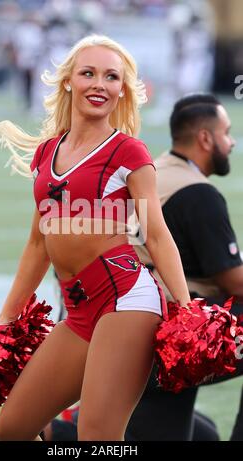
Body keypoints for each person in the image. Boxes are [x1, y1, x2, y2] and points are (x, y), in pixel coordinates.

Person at [0, 34, 191, 441]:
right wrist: (5, 320)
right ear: (68, 81)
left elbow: (158, 236)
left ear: (122, 89)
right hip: (78, 312)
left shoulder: (129, 152)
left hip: (127, 301)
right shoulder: (47, 153)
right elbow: (38, 245)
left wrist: (186, 310)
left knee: (97, 436)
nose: (100, 84)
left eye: (111, 77)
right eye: (88, 73)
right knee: (14, 427)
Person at [129, 93, 243, 441]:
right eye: (227, 132)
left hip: (121, 330)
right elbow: (234, 282)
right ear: (206, 138)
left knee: (200, 436)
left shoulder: (155, 171)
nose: (233, 141)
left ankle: (54, 431)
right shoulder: (197, 192)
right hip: (160, 339)